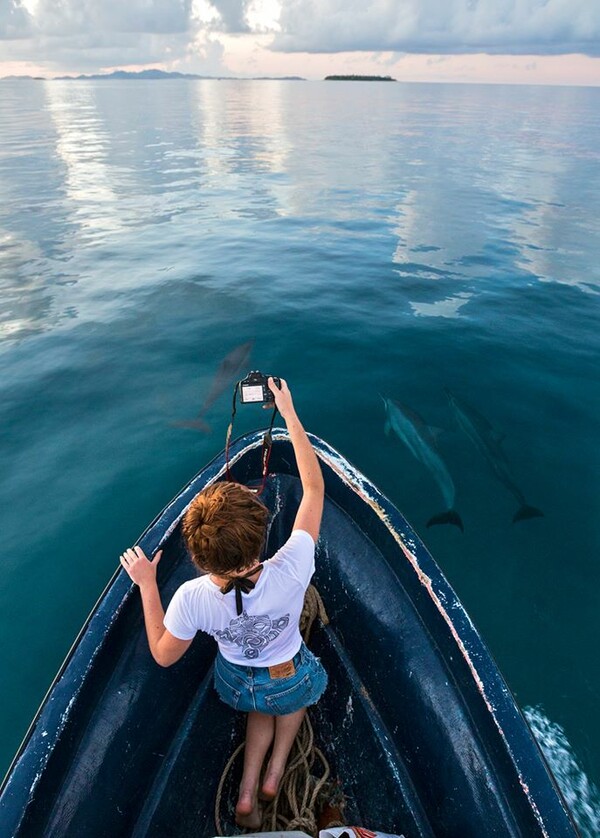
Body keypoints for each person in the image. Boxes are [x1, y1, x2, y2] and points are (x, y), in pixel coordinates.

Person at [119, 377, 327, 829]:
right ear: (262, 531)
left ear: (196, 555)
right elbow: (313, 490)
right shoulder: (293, 566)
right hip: (285, 676)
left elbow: (163, 654)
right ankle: (274, 776)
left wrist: (147, 585)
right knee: (289, 704)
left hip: (236, 682)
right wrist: (289, 414)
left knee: (259, 707)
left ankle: (248, 791)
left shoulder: (191, 598)